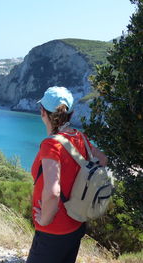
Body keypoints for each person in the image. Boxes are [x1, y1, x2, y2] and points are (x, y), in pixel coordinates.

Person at [26, 86, 107, 263]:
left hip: (54, 230)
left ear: (43, 112)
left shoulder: (51, 145)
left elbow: (53, 191)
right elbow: (103, 160)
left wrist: (45, 220)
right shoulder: (80, 137)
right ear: (70, 114)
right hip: (76, 223)